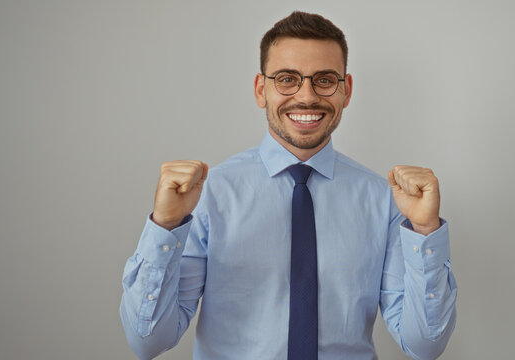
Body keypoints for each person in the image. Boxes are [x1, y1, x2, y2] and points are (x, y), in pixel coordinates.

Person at [120, 11, 456, 360]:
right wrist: (165, 226)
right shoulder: (209, 194)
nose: (307, 96)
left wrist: (424, 229)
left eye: (324, 79)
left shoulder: (385, 200)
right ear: (260, 89)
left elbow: (424, 346)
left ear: (347, 90)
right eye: (286, 79)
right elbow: (148, 342)